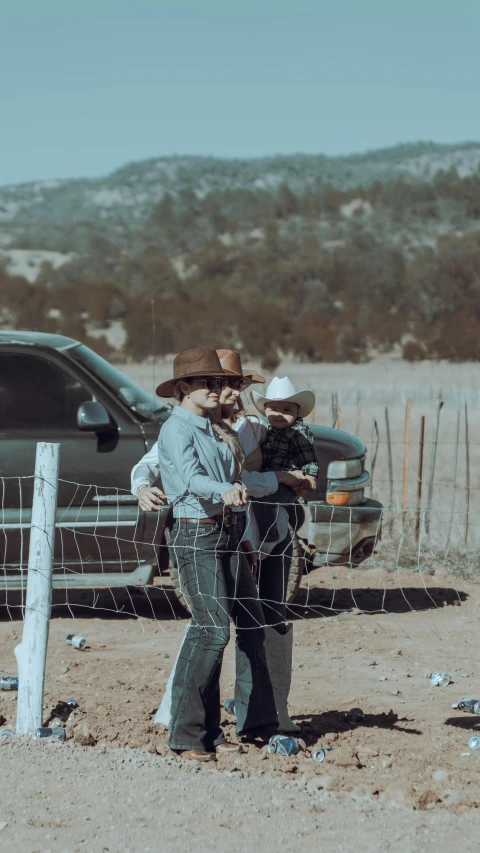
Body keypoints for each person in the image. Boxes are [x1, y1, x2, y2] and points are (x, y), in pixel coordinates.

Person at [131, 350, 308, 734]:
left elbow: (255, 473)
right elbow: (158, 464)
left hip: (258, 531)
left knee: (259, 620)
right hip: (217, 525)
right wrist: (142, 487)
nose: (225, 390)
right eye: (217, 383)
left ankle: (266, 714)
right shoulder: (190, 426)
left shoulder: (253, 427)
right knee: (210, 626)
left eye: (230, 384)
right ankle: (180, 716)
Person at [152, 347, 278, 761]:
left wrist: (241, 527)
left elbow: (232, 475)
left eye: (221, 381)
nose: (218, 387)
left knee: (246, 623)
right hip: (196, 535)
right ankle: (186, 734)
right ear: (183, 388)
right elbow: (189, 478)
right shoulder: (176, 429)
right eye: (209, 382)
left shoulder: (212, 427)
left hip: (228, 534)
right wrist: (222, 491)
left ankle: (214, 731)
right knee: (212, 631)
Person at [251, 376, 319, 544]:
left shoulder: (298, 432)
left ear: (297, 412)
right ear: (265, 411)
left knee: (264, 500)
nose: (279, 414)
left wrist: (310, 476)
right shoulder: (263, 428)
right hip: (267, 478)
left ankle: (269, 536)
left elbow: (308, 455)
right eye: (273, 409)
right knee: (255, 496)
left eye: (287, 410)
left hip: (287, 483)